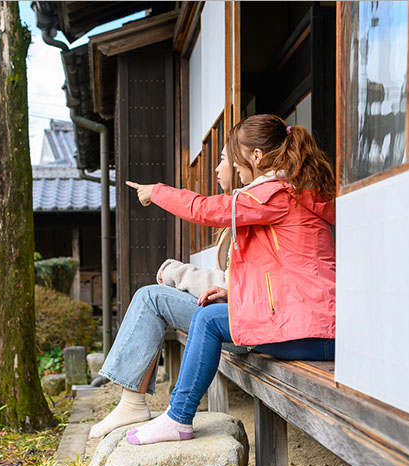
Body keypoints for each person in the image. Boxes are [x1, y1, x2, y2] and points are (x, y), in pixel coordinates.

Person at [123, 113, 336, 445]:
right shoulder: (287, 194)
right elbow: (280, 274)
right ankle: (170, 414)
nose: (232, 165)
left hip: (314, 330)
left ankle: (178, 417)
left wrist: (158, 191)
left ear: (256, 156)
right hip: (313, 325)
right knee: (210, 314)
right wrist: (232, 294)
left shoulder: (275, 195)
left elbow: (207, 210)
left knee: (208, 319)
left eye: (233, 156)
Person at [88, 147, 238, 439]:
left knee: (151, 297)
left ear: (246, 159)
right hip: (238, 314)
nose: (217, 168)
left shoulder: (252, 205)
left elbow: (232, 282)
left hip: (247, 323)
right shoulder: (249, 205)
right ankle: (131, 402)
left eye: (222, 160)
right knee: (151, 296)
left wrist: (178, 273)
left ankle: (134, 404)